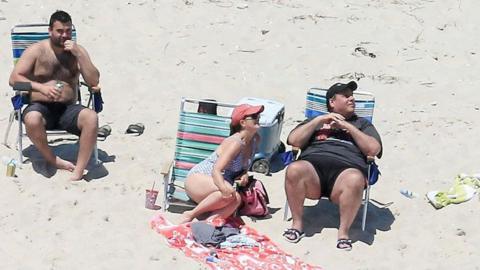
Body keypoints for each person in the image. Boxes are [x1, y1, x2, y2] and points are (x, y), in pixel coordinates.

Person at [283, 81, 382, 250]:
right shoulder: (314, 121)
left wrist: (348, 127)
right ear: (332, 102)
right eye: (346, 95)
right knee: (294, 169)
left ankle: (343, 233)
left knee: (355, 179)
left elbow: (373, 149)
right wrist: (319, 120)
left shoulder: (363, 124)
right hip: (312, 174)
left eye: (352, 96)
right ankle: (297, 224)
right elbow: (294, 140)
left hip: (344, 177)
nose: (352, 99)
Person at [9, 10, 100, 181]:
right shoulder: (36, 51)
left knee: (91, 118)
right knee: (32, 118)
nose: (64, 35)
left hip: (68, 109)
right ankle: (53, 159)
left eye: (68, 31)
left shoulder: (77, 52)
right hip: (41, 108)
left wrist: (79, 55)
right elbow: (14, 80)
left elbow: (94, 80)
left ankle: (78, 172)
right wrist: (41, 88)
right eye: (60, 31)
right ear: (50, 31)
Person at [181, 104, 264, 223]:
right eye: (254, 116)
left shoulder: (255, 139)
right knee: (229, 194)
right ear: (243, 122)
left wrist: (244, 174)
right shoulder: (236, 143)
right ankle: (190, 214)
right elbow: (216, 170)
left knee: (237, 199)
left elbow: (245, 166)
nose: (258, 118)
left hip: (216, 185)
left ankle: (210, 222)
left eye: (259, 115)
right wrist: (224, 188)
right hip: (199, 179)